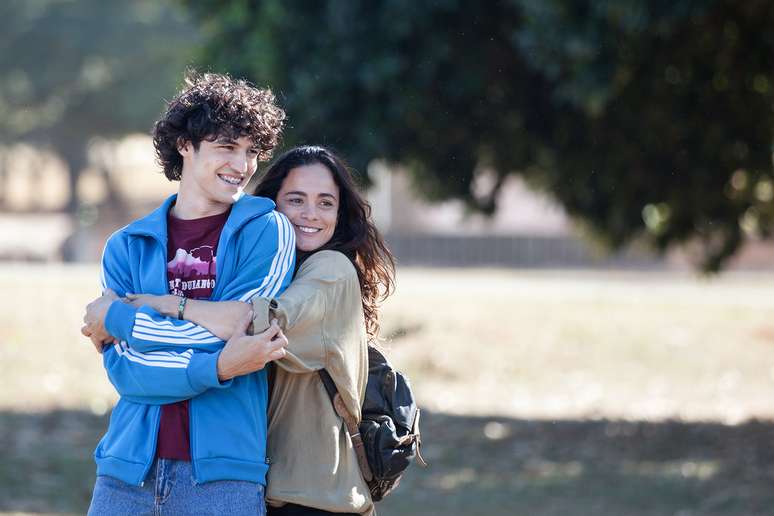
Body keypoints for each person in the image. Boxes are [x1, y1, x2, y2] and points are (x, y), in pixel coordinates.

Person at [125, 146, 396, 515]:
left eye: (326, 203)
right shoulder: (281, 274)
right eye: (296, 200)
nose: (310, 214)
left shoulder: (331, 270)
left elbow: (257, 324)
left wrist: (163, 305)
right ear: (272, 207)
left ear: (339, 213)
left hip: (315, 500)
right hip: (274, 493)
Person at [80, 72, 295, 515]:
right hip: (124, 475)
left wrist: (128, 316)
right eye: (227, 147)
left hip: (223, 479)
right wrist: (220, 364)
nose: (242, 165)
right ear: (185, 146)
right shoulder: (127, 245)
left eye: (252, 151)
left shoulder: (267, 230)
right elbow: (126, 367)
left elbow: (244, 327)